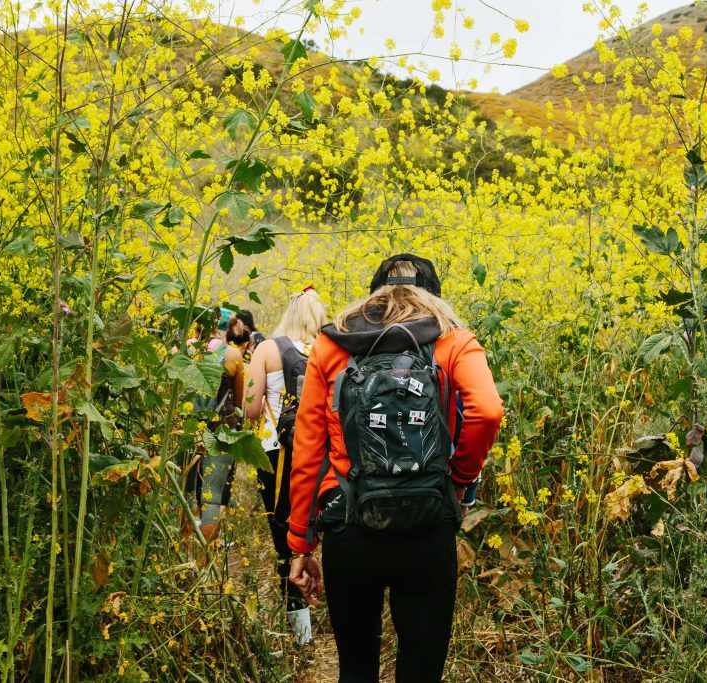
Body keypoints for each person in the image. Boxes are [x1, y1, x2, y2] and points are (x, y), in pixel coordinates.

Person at [286, 255, 503, 682]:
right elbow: (488, 411)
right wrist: (457, 480)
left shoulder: (333, 345)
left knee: (357, 667)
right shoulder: (453, 340)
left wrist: (301, 543)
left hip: (350, 527)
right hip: (428, 525)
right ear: (434, 295)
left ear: (374, 294)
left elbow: (308, 448)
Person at [244, 288, 329, 644]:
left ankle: (301, 633)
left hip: (275, 454)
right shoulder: (331, 350)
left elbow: (249, 408)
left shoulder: (267, 348)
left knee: (285, 539)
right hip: (324, 455)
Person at [196, 314, 251, 540]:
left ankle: (180, 555)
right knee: (212, 497)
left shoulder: (180, 351)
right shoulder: (231, 354)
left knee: (183, 493)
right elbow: (240, 403)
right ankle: (205, 561)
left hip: (185, 431)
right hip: (221, 430)